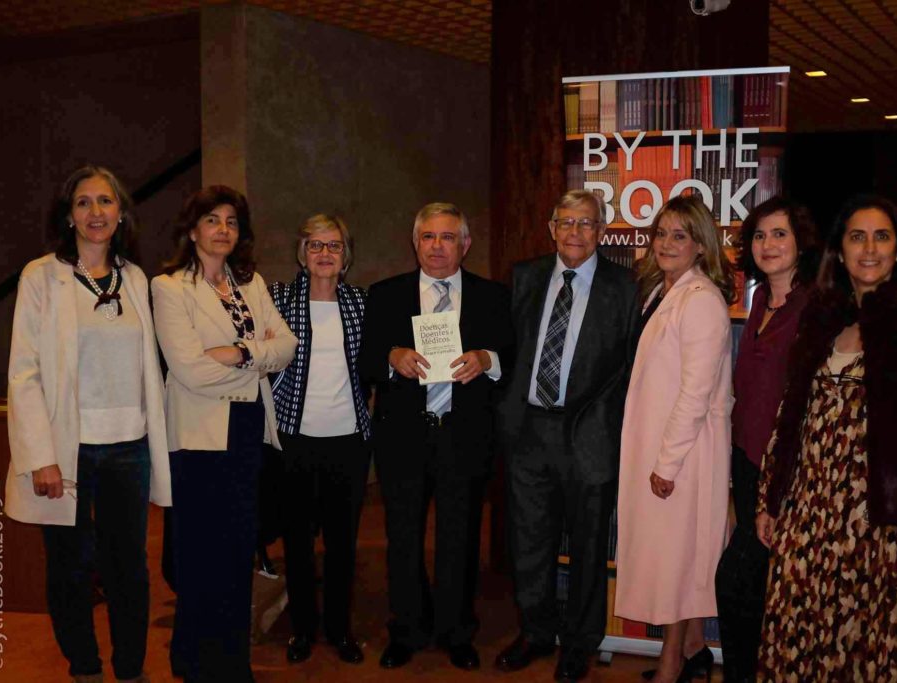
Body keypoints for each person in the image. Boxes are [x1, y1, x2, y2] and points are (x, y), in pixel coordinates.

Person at [756, 195, 897, 681]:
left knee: (863, 650)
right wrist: (770, 500)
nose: (868, 248)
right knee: (795, 639)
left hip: (876, 529)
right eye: (856, 236)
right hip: (806, 519)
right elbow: (789, 418)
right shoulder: (823, 319)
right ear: (839, 252)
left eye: (881, 236)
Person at [4, 165, 171, 683]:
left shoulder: (136, 278)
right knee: (71, 569)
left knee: (130, 571)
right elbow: (24, 372)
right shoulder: (41, 276)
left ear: (121, 214)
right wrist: (41, 456)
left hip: (130, 447)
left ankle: (129, 669)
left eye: (105, 202)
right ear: (68, 215)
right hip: (69, 450)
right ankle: (84, 668)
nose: (95, 212)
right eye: (83, 202)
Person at [358, 202, 513, 671]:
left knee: (460, 539)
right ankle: (406, 630)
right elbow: (364, 362)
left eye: (448, 237)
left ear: (465, 244)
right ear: (415, 243)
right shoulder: (386, 295)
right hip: (404, 437)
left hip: (463, 437)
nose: (437, 246)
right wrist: (391, 357)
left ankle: (456, 631)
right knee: (402, 539)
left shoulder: (493, 296)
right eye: (428, 236)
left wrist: (487, 359)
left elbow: (512, 356)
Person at [151, 186, 297, 682]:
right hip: (198, 438)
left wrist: (236, 352)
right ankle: (194, 662)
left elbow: (288, 346)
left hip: (249, 430)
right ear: (192, 230)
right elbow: (190, 372)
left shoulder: (249, 284)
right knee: (199, 556)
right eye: (212, 220)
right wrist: (256, 356)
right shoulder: (169, 287)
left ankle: (232, 664)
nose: (222, 230)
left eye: (231, 221)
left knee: (238, 552)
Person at [495, 189, 638, 682]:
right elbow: (506, 351)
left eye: (586, 223)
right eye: (566, 223)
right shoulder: (525, 277)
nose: (575, 232)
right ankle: (536, 632)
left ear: (602, 232)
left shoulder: (626, 287)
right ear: (551, 228)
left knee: (588, 545)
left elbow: (632, 366)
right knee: (529, 542)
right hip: (529, 432)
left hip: (590, 436)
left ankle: (579, 642)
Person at [613, 195, 735, 683]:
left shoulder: (702, 301)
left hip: (683, 455)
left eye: (679, 235)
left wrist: (666, 463)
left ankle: (672, 664)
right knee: (666, 556)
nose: (666, 243)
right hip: (659, 446)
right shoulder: (660, 292)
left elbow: (695, 393)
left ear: (701, 246)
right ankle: (695, 649)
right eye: (661, 233)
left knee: (677, 562)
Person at [714, 197, 820, 683]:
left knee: (738, 583)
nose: (768, 244)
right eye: (759, 235)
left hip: (788, 470)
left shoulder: (816, 305)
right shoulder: (758, 300)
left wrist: (777, 489)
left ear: (801, 241)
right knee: (754, 589)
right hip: (746, 459)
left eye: (780, 234)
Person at [269, 214, 371, 666]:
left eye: (333, 246)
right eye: (315, 245)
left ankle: (339, 629)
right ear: (302, 253)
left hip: (348, 440)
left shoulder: (362, 303)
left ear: (346, 255)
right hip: (295, 438)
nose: (324, 254)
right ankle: (302, 630)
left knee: (343, 542)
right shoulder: (277, 299)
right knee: (296, 541)